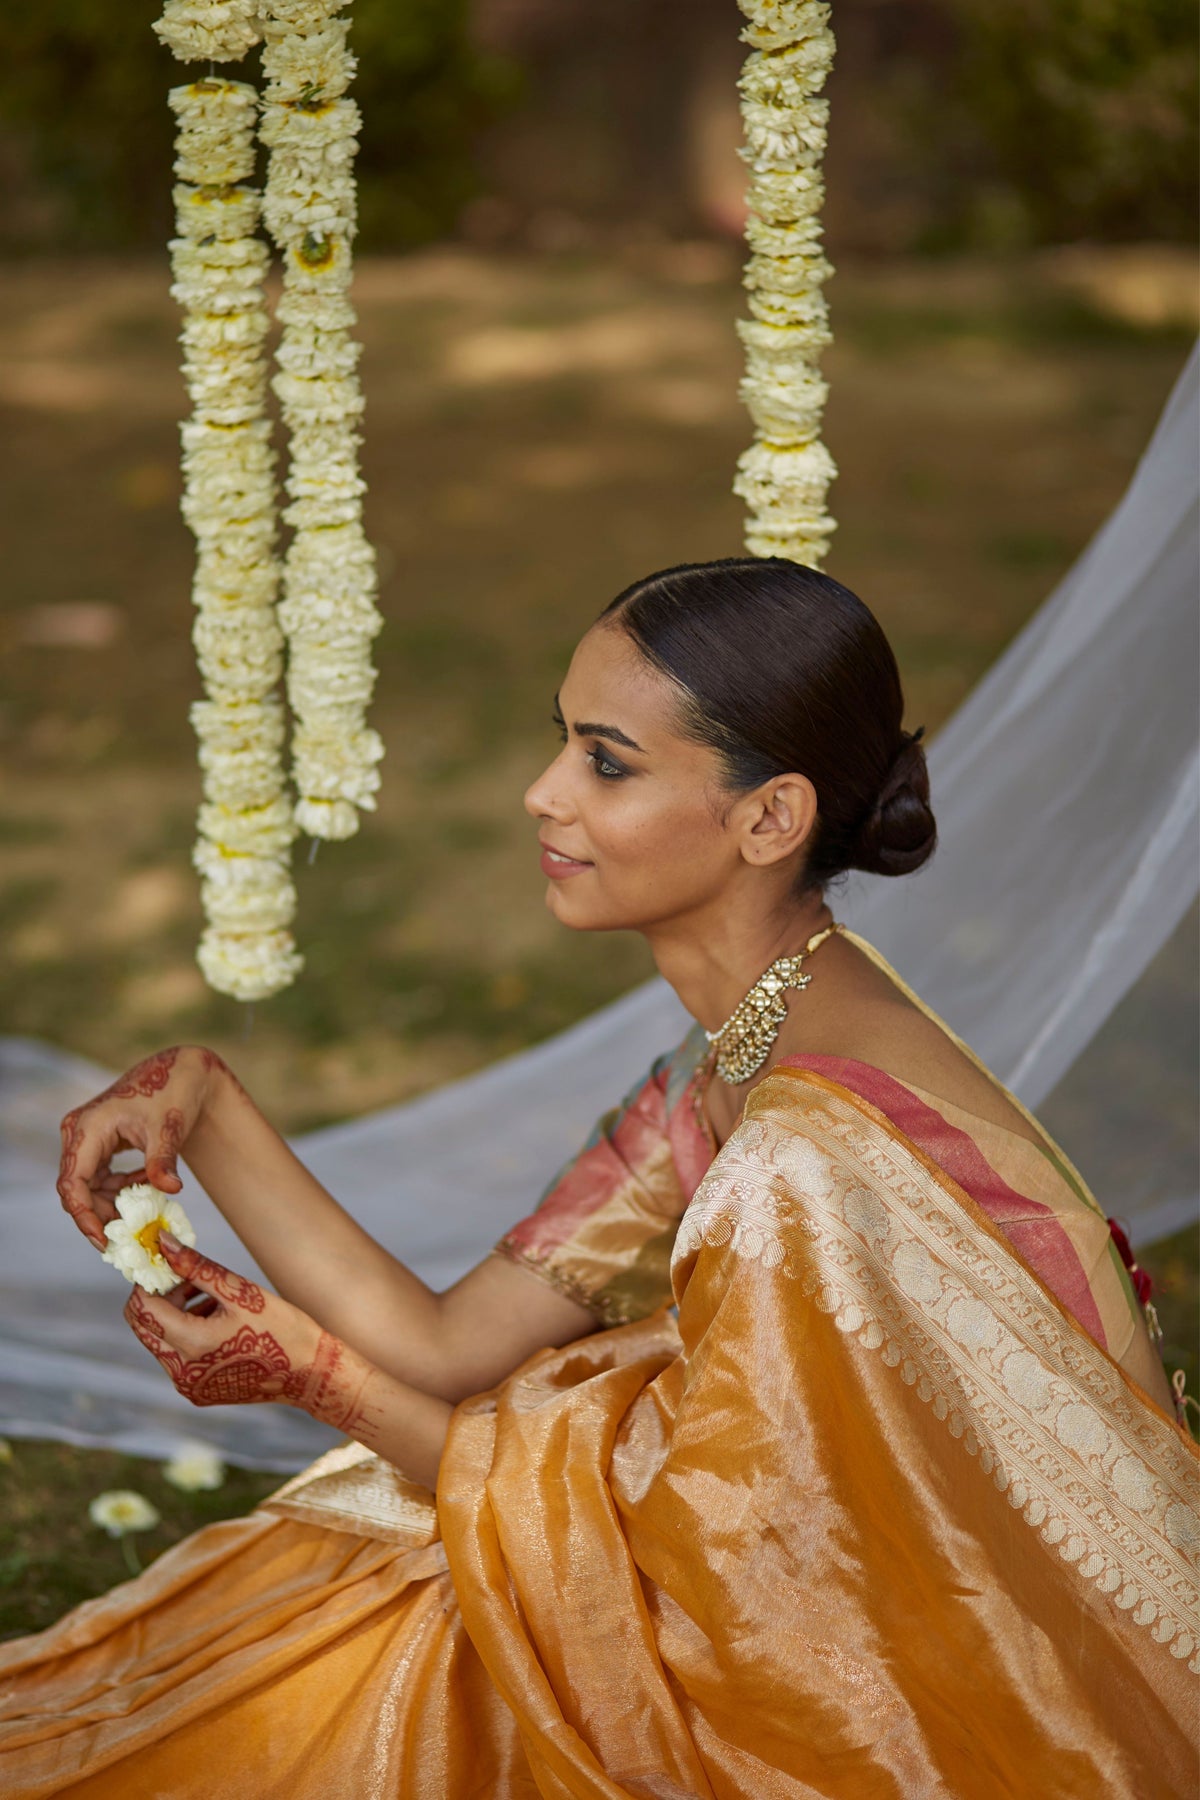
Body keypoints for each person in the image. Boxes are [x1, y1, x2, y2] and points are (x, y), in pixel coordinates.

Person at [1, 560, 1194, 1799]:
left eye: (606, 763)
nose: (542, 794)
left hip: (954, 1695)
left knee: (398, 1651)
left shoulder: (807, 1150)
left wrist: (316, 1379)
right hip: (851, 1611)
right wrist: (206, 1101)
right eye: (560, 745)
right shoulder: (747, 1033)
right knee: (371, 1601)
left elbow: (714, 1586)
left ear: (769, 818)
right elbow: (454, 1342)